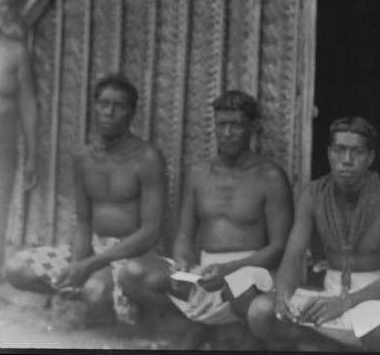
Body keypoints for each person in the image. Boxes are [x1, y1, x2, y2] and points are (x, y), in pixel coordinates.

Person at [120, 90, 294, 349]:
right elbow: (185, 234)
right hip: (204, 273)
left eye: (235, 125)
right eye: (221, 124)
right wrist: (181, 263)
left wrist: (229, 270)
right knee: (132, 274)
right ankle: (200, 325)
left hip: (248, 272)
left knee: (240, 287)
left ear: (253, 128)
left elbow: (280, 248)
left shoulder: (270, 177)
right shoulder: (199, 173)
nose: (227, 132)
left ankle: (209, 330)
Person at [4, 75, 167, 325]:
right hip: (93, 250)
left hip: (132, 255)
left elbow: (151, 232)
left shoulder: (147, 158)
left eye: (119, 106)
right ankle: (89, 297)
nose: (109, 112)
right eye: (103, 104)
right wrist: (79, 264)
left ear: (133, 113)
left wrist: (90, 266)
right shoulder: (83, 157)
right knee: (15, 269)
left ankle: (109, 306)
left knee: (95, 290)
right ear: (94, 107)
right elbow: (83, 221)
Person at [247, 116, 380, 352]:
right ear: (328, 153)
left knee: (373, 325)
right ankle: (331, 347)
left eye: (357, 151)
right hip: (330, 293)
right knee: (260, 311)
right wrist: (284, 292)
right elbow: (293, 258)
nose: (347, 160)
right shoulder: (313, 195)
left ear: (370, 158)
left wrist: (344, 303)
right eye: (339, 150)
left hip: (376, 299)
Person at [0, 0, 38, 294]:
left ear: (12, 11)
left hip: (1, 134)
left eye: (3, 6)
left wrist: (33, 153)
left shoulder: (16, 50)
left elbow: (28, 103)